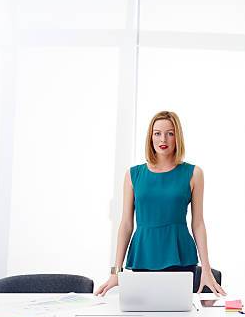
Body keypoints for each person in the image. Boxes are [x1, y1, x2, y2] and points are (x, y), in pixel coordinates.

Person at [95, 111, 226, 297]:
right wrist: (116, 272)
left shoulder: (194, 173)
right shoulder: (133, 175)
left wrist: (206, 268)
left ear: (177, 137)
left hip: (180, 256)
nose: (163, 139)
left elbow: (198, 223)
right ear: (150, 137)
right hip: (144, 255)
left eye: (170, 133)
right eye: (157, 133)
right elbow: (125, 224)